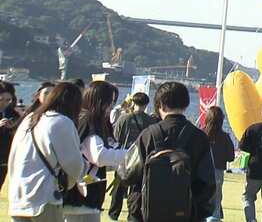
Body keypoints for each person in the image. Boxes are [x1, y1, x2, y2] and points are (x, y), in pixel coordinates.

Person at [117, 81, 216, 222]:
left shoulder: (148, 135)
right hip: (187, 215)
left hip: (146, 214)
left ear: (160, 105)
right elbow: (208, 184)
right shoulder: (199, 138)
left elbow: (126, 175)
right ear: (186, 105)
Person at [8, 82, 86, 221]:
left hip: (18, 194)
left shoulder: (29, 119)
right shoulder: (61, 122)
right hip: (43, 196)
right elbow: (75, 166)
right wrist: (85, 167)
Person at [63, 80, 127, 222]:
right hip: (81, 197)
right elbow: (99, 155)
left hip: (82, 194)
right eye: (108, 103)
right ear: (98, 100)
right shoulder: (89, 119)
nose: (110, 107)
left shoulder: (84, 117)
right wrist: (130, 154)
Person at [108, 92, 157, 220]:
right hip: (142, 157)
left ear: (133, 103)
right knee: (137, 189)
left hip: (123, 157)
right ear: (146, 105)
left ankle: (113, 213)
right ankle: (133, 214)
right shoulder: (151, 121)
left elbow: (116, 136)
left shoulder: (124, 118)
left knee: (119, 187)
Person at [203, 106, 235, 222]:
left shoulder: (201, 134)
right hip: (218, 170)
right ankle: (214, 218)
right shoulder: (225, 137)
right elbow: (231, 157)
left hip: (201, 169)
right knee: (216, 197)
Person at [0, 81, 21, 192]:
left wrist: (12, 128)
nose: (4, 103)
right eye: (1, 100)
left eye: (8, 100)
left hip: (5, 158)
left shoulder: (13, 114)